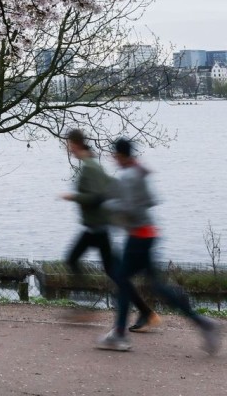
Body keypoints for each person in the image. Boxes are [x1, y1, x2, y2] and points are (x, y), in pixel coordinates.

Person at [96, 138, 220, 355]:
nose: (112, 158)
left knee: (123, 280)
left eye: (114, 154)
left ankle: (119, 334)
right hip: (149, 233)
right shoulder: (139, 171)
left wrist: (106, 203)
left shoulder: (127, 176)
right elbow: (152, 201)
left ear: (120, 155)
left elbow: (128, 208)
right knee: (156, 286)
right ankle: (203, 323)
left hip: (137, 237)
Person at [58, 129, 155, 328]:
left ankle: (86, 308)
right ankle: (146, 312)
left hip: (98, 228)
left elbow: (97, 197)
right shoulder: (91, 164)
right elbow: (109, 186)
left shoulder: (90, 167)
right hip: (96, 227)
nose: (68, 149)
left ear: (75, 144)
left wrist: (73, 197)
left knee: (77, 260)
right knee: (113, 271)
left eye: (68, 144)